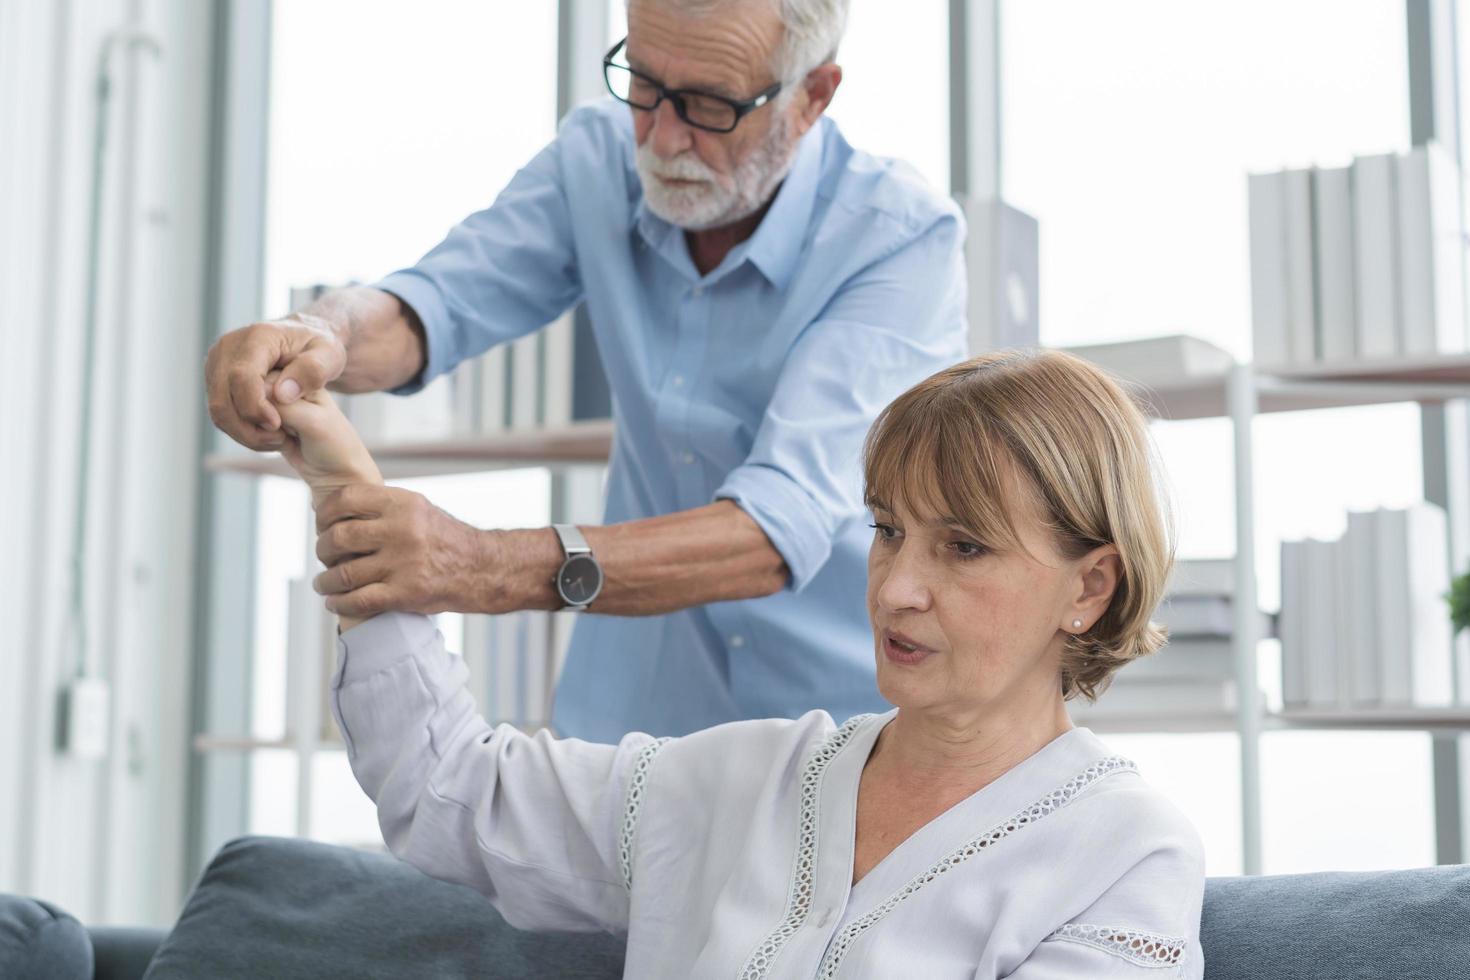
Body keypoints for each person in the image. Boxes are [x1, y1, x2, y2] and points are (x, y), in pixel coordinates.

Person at [269, 349, 1206, 978]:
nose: (895, 589)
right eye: (887, 531)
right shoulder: (744, 778)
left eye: (963, 548)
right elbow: (456, 793)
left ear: (1090, 587)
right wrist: (349, 496)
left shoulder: (1127, 854)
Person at [203, 0, 968, 743]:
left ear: (812, 96)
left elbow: (774, 531)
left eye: (706, 105)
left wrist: (482, 566)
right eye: (642, 83)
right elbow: (435, 305)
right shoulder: (597, 157)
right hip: (626, 729)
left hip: (840, 738)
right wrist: (320, 332)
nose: (662, 138)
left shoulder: (899, 241)